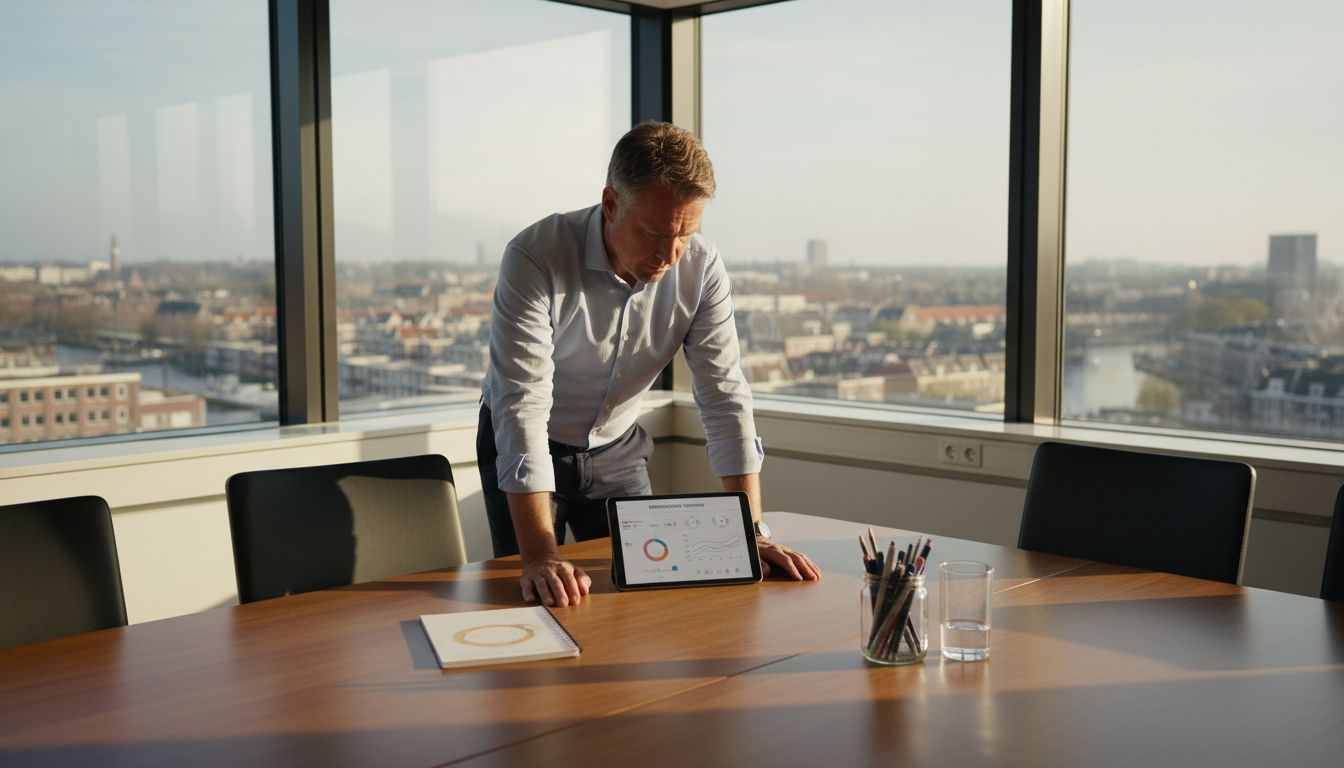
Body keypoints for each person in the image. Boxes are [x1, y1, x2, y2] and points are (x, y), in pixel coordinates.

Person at [477, 121, 821, 607]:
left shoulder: (700, 266)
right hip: (525, 441)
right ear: (611, 203)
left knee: (648, 593)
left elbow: (723, 397)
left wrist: (751, 532)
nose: (669, 254)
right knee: (535, 597)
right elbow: (522, 407)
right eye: (656, 232)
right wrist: (537, 557)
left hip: (618, 449)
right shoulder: (535, 256)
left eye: (685, 232)